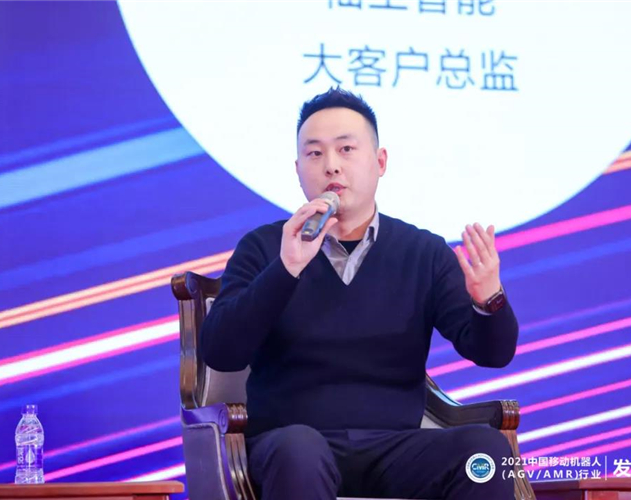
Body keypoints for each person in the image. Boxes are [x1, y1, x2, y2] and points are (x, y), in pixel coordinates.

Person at [201, 87, 519, 500]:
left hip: (395, 449)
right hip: (293, 446)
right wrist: (286, 269)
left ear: (380, 162)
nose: (331, 165)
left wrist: (488, 300)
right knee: (300, 449)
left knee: (486, 452)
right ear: (298, 169)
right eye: (315, 154)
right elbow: (221, 352)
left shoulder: (423, 252)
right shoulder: (265, 248)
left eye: (346, 149)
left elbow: (493, 354)